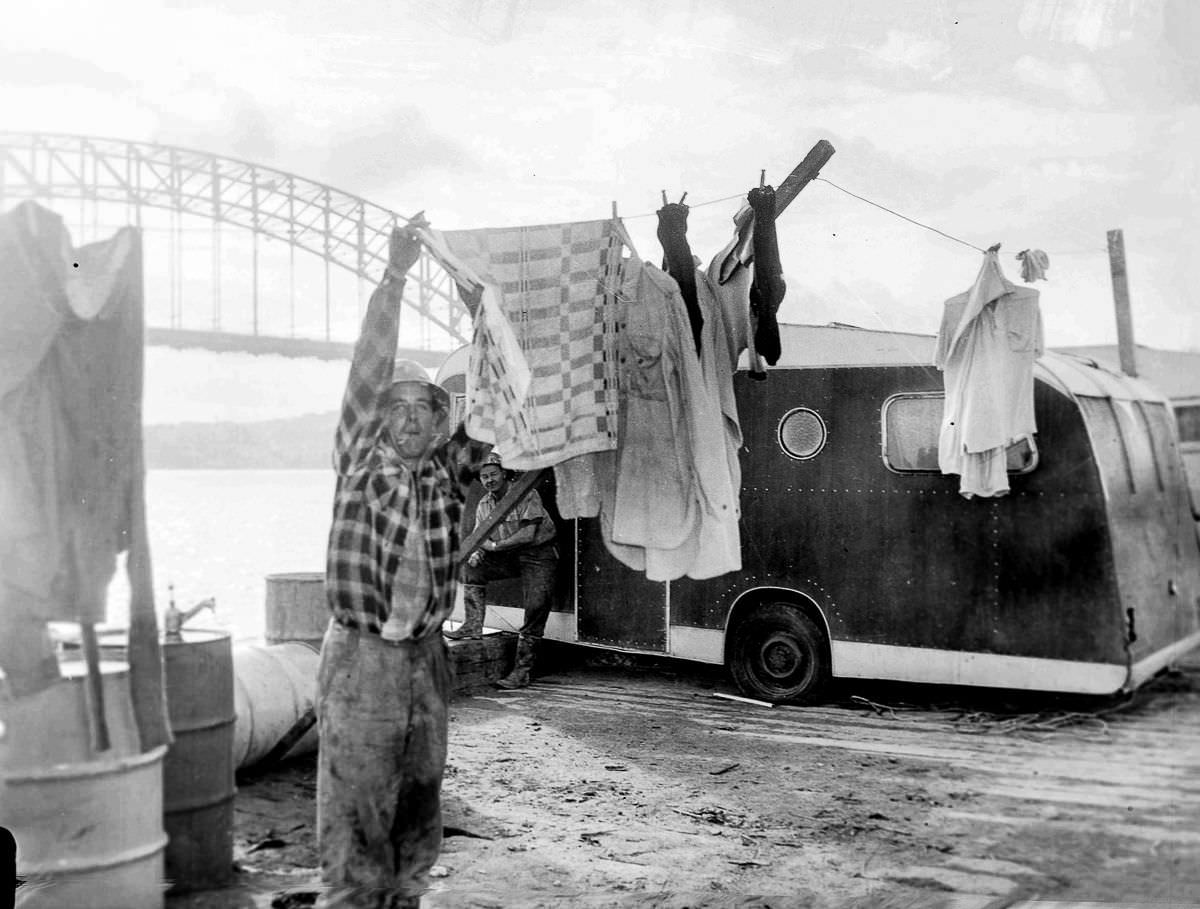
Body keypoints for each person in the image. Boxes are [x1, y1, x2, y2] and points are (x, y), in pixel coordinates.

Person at [317, 226, 468, 909]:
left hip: (428, 660)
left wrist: (480, 303)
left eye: (423, 408)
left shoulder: (446, 471)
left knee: (417, 815)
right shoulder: (357, 460)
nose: (409, 419)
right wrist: (396, 277)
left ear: (439, 420)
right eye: (397, 407)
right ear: (379, 418)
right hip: (363, 661)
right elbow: (368, 364)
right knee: (356, 823)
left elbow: (508, 405)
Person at [446, 452, 558, 690]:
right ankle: (473, 625)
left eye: (493, 474)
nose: (489, 480)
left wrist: (494, 546)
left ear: (505, 474)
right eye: (484, 476)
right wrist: (477, 553)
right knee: (471, 566)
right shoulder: (484, 503)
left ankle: (522, 671)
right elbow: (480, 537)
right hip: (510, 556)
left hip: (539, 555)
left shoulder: (526, 493)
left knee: (537, 606)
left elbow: (529, 535)